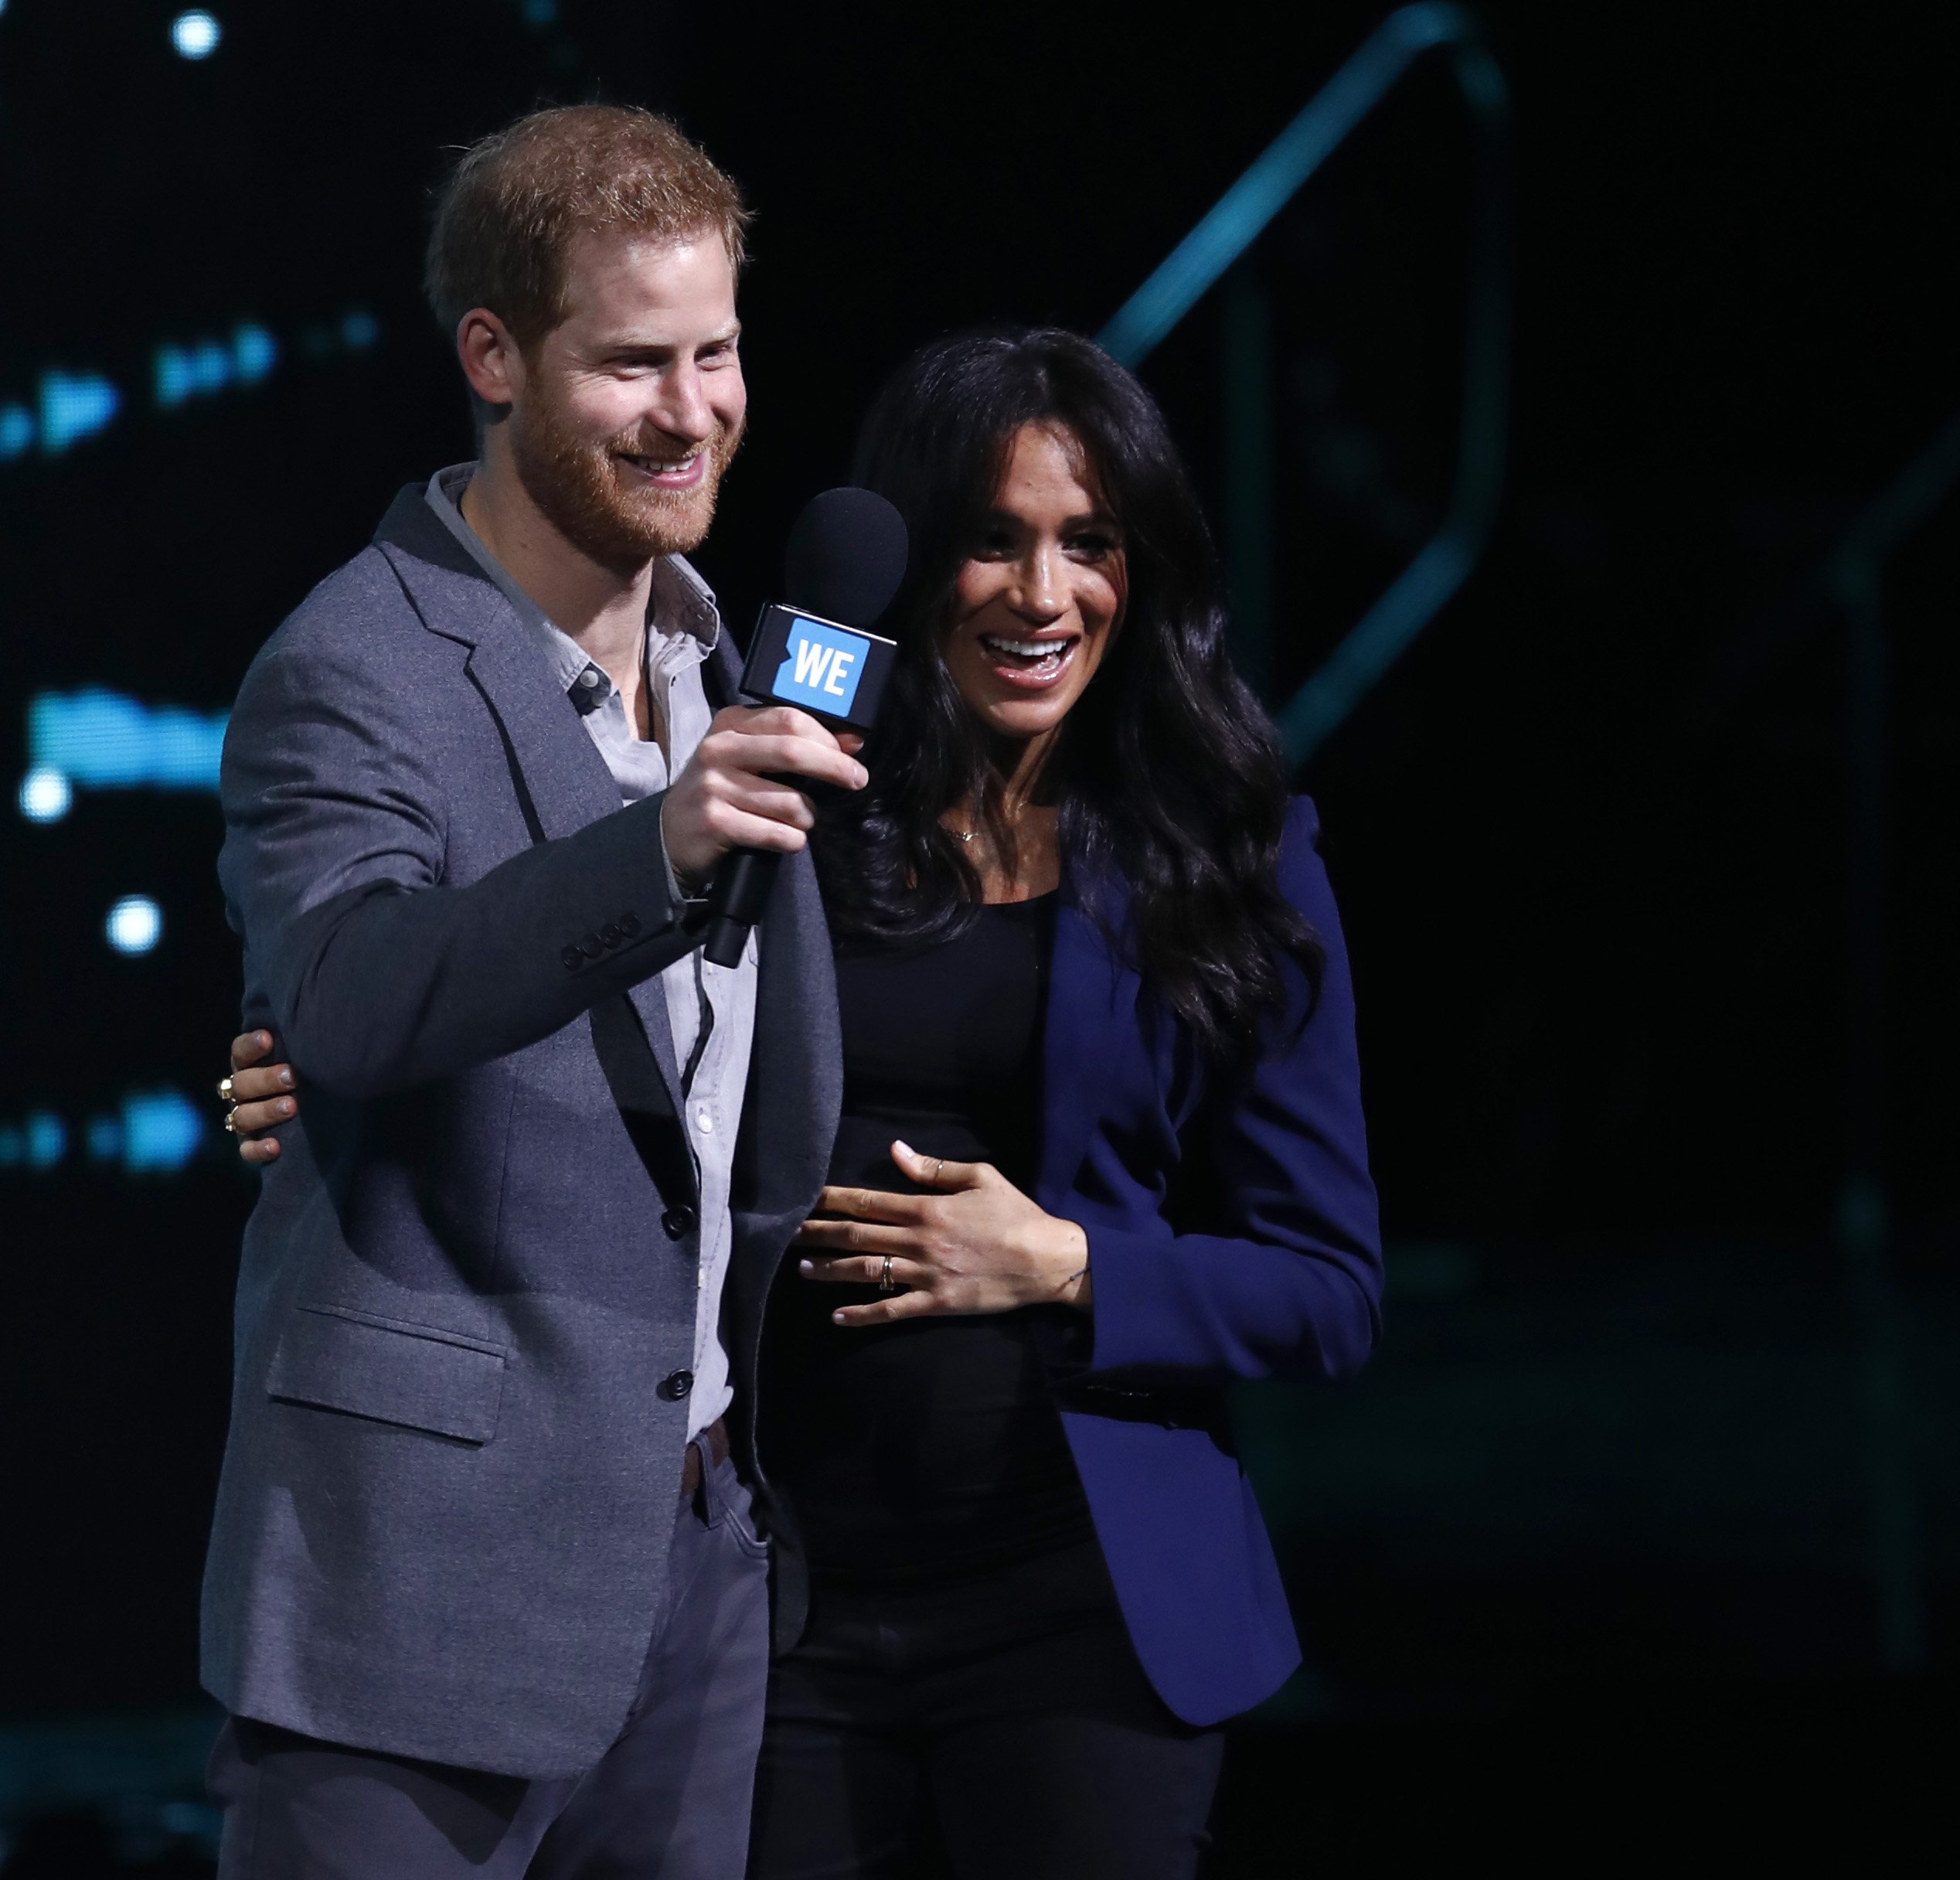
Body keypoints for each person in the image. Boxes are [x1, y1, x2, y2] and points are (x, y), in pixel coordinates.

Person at [228, 326, 1381, 1876]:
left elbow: (1326, 1290)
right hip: (774, 1611)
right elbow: (556, 1006)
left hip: (1080, 1619)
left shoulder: (1238, 854)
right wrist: (323, 1058)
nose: (1041, 596)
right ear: (912, 561)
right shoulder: (779, 804)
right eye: (989, 541)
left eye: (1087, 545)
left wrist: (1064, 1264)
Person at [200, 104, 865, 1879]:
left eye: (714, 349)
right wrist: (650, 850)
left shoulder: (720, 647)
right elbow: (344, 990)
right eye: (630, 362)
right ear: (492, 356)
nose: (692, 407)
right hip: (415, 1594)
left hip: (690, 1555)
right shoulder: (350, 664)